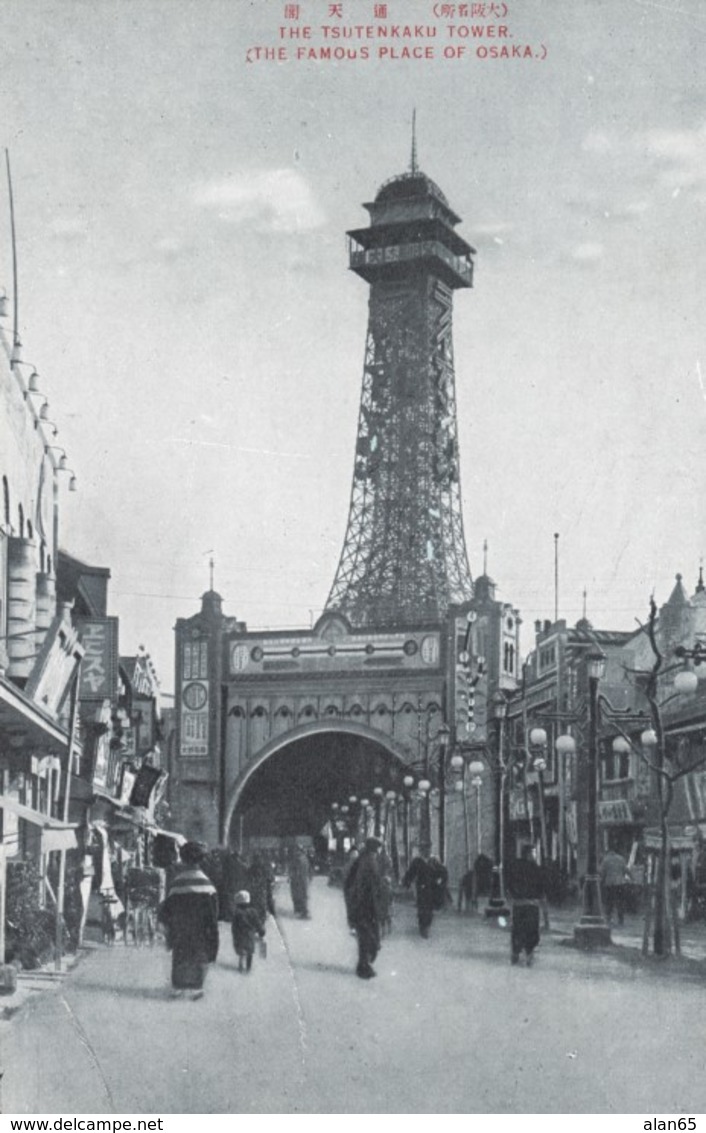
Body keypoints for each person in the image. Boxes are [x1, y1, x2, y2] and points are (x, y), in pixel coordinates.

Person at [158, 841, 220, 999]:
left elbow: (166, 911)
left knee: (180, 956)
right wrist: (214, 943)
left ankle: (178, 987)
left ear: (183, 859)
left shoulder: (176, 884)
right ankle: (196, 988)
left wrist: (169, 931)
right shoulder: (208, 886)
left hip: (181, 931)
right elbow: (213, 919)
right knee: (199, 956)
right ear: (201, 860)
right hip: (201, 933)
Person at [345, 837, 385, 979]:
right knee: (368, 937)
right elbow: (366, 886)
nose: (379, 852)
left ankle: (364, 964)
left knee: (366, 937)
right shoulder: (368, 862)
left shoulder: (362, 860)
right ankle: (363, 967)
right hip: (366, 906)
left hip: (361, 906)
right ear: (374, 849)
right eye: (378, 849)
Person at [506, 844, 546, 966]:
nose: (535, 855)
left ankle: (516, 952)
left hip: (519, 903)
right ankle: (528, 953)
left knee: (518, 929)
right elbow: (541, 887)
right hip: (531, 904)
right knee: (531, 930)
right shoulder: (535, 868)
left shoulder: (515, 867)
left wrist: (512, 896)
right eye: (534, 853)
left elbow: (509, 883)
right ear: (529, 854)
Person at [403, 847, 448, 938]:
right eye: (424, 849)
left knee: (428, 908)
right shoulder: (418, 861)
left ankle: (426, 927)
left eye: (428, 849)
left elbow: (443, 872)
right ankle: (423, 927)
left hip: (431, 889)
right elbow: (411, 873)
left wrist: (440, 882)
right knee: (422, 907)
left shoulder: (433, 861)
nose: (426, 851)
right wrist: (406, 882)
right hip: (422, 888)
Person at [231, 890, 266, 973]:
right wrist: (261, 931)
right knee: (250, 952)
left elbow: (234, 926)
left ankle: (241, 964)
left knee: (241, 951)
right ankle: (248, 968)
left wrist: (234, 934)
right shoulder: (253, 912)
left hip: (239, 935)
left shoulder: (237, 913)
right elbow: (258, 923)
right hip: (250, 935)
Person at [600, 847, 630, 927]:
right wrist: (631, 877)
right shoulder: (621, 859)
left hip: (609, 884)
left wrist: (602, 881)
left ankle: (609, 919)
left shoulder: (605, 860)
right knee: (620, 903)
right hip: (620, 883)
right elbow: (626, 870)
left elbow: (602, 872)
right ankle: (621, 920)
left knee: (609, 902)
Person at [289, 844, 311, 918]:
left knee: (298, 895)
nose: (295, 852)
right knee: (303, 895)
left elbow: (296, 871)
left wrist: (292, 877)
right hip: (304, 879)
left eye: (296, 850)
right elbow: (308, 869)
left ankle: (302, 911)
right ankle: (303, 910)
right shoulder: (305, 858)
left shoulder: (298, 859)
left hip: (298, 880)